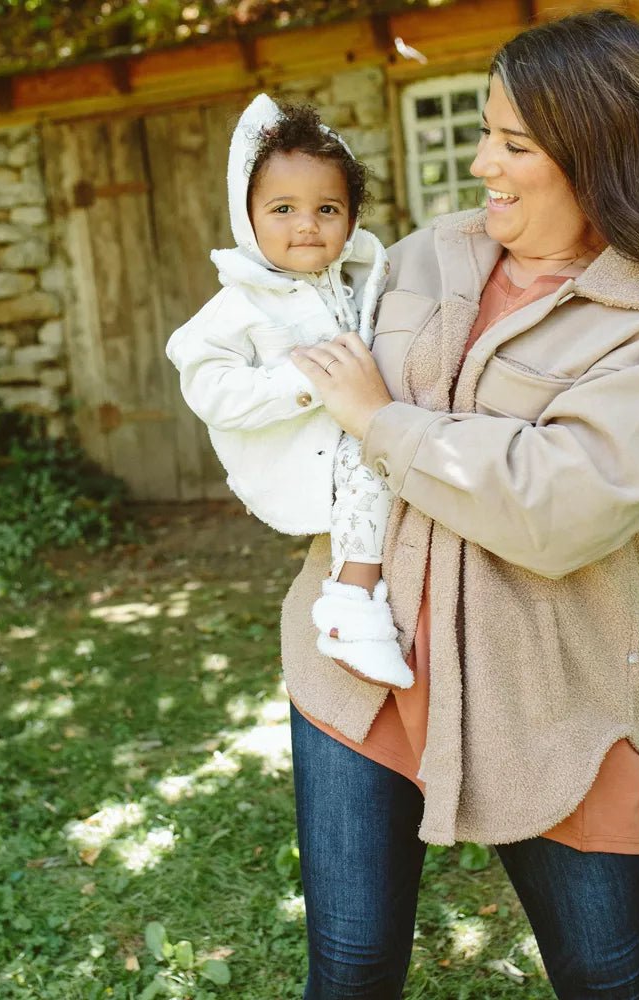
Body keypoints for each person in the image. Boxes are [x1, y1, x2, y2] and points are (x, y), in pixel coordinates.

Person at [283, 8, 639, 999]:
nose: (480, 165)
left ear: (600, 153)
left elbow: (558, 506)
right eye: (481, 132)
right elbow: (321, 419)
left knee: (604, 980)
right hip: (359, 667)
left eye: (512, 143)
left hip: (549, 702)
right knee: (349, 966)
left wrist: (384, 421)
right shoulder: (425, 258)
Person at [166, 95, 413, 689]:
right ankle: (351, 607)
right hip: (298, 445)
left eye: (327, 208)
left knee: (381, 462)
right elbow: (208, 386)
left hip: (359, 433)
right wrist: (308, 384)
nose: (307, 224)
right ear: (246, 216)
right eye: (282, 208)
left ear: (352, 220)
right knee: (369, 461)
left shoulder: (364, 277)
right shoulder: (239, 302)